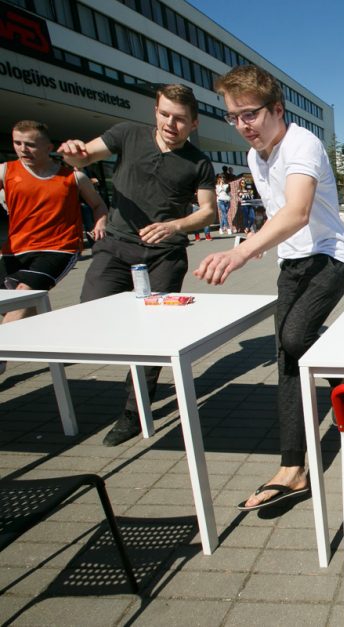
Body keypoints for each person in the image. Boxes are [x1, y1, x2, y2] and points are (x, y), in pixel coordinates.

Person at [196, 64, 344, 511]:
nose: (242, 125)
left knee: (294, 336)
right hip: (292, 262)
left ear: (276, 109)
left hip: (330, 257)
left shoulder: (302, 143)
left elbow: (300, 211)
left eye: (249, 114)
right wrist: (267, 242)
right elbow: (278, 214)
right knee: (289, 354)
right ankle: (293, 469)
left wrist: (242, 251)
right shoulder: (254, 157)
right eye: (233, 116)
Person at [57, 84, 217, 446]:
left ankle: (134, 410)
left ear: (193, 124)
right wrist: (73, 153)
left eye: (179, 119)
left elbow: (208, 212)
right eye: (164, 115)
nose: (170, 124)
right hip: (116, 248)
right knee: (91, 312)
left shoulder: (198, 162)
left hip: (165, 255)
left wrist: (174, 225)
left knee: (153, 337)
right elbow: (84, 156)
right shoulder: (126, 134)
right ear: (155, 112)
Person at [0, 120, 108, 337]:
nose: (23, 149)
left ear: (49, 148)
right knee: (12, 304)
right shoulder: (5, 171)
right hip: (15, 248)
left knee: (23, 294)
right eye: (17, 143)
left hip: (59, 248)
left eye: (30, 144)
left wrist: (100, 222)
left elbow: (98, 205)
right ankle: (27, 344)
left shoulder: (74, 177)